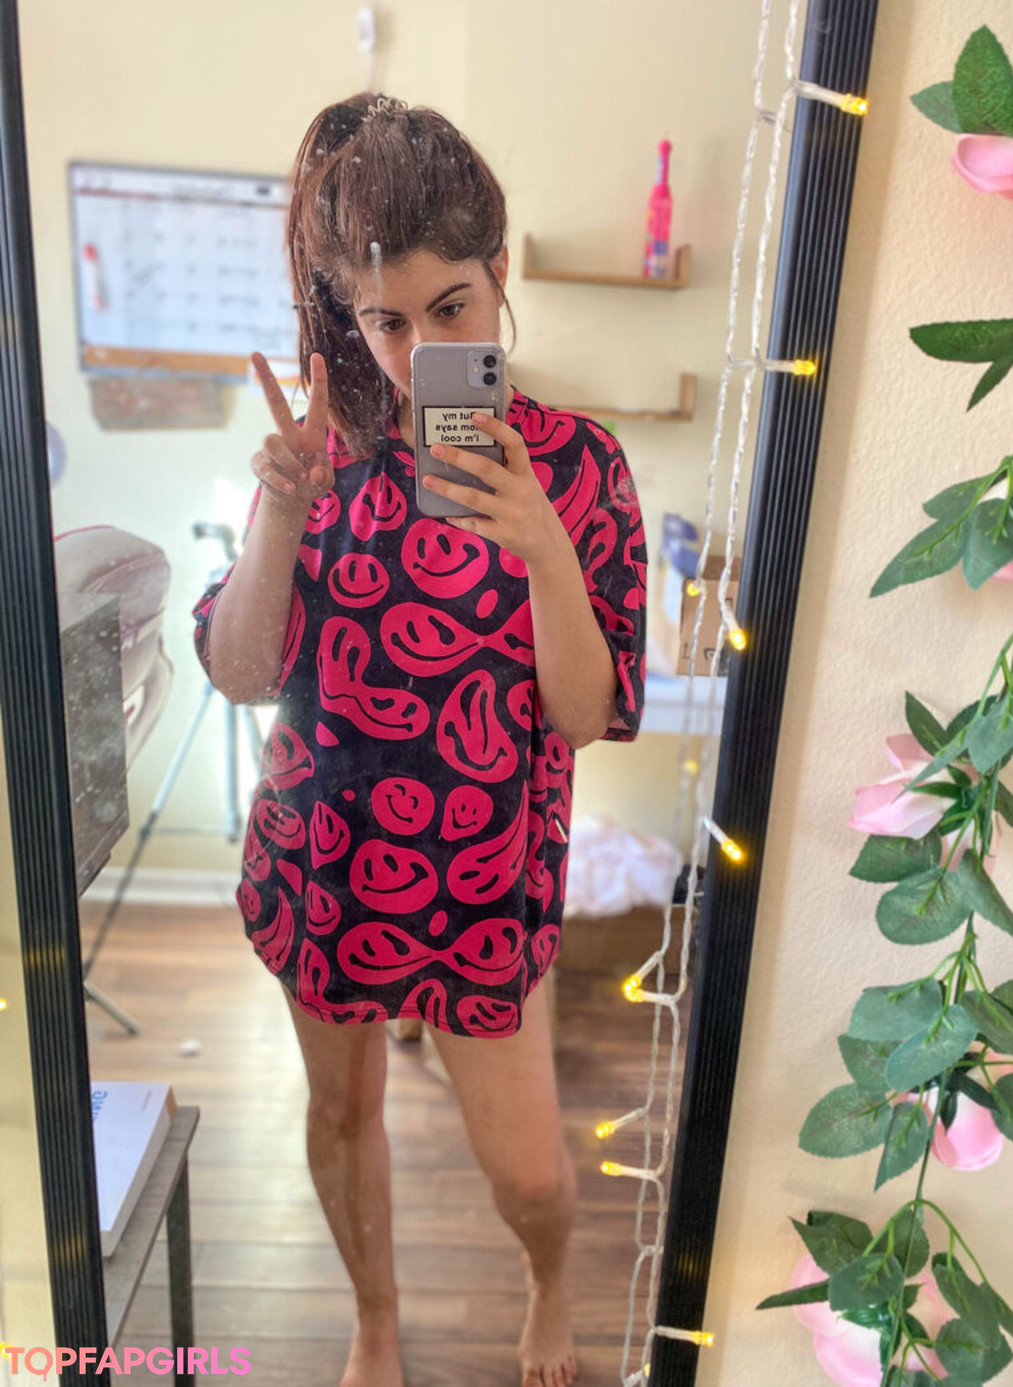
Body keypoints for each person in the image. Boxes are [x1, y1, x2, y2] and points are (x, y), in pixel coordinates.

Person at [193, 91, 647, 1387]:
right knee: (342, 1115)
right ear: (349, 316)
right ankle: (376, 1317)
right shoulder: (316, 458)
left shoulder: (579, 468)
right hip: (325, 865)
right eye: (385, 322)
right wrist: (283, 514)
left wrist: (543, 546)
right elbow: (239, 675)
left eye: (450, 309)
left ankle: (548, 1279)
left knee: (531, 1172)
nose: (415, 354)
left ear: (499, 276)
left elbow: (585, 715)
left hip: (486, 882)